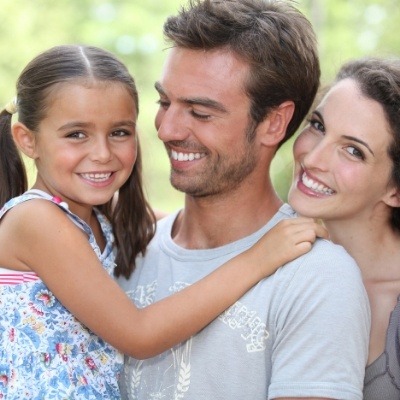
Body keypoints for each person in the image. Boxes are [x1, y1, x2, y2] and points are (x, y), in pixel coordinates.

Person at [0, 44, 327, 399]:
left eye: (119, 132)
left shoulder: (98, 219)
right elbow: (139, 335)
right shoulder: (36, 220)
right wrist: (258, 258)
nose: (102, 153)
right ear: (27, 140)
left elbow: (183, 225)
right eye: (76, 134)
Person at [117, 1, 371, 399]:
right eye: (165, 102)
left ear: (274, 122)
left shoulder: (317, 278)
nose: (166, 129)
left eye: (200, 113)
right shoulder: (125, 249)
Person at [288, 57, 400, 400]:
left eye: (353, 151)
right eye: (318, 126)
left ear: (394, 190)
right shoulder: (278, 255)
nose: (313, 159)